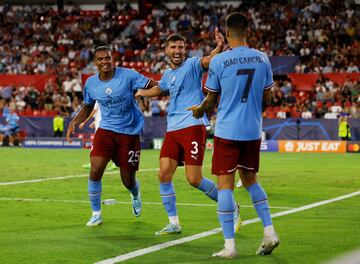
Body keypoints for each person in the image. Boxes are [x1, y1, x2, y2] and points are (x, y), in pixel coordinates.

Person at [189, 13, 279, 258]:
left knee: (225, 187)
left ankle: (229, 247)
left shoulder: (219, 62)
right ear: (248, 31)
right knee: (251, 181)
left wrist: (199, 111)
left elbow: (210, 100)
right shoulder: (262, 58)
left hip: (227, 130)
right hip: (252, 130)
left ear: (227, 33)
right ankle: (270, 232)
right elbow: (269, 98)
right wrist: (252, 113)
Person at [135, 29, 241, 236]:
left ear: (185, 50)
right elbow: (159, 89)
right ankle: (174, 223)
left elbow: (209, 60)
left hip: (192, 126)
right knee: (164, 174)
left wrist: (219, 47)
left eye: (181, 47)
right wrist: (139, 92)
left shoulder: (193, 64)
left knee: (194, 179)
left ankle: (231, 205)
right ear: (166, 51)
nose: (177, 50)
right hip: (173, 129)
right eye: (173, 47)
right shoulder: (167, 74)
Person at [66, 46, 157, 227]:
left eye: (107, 58)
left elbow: (153, 85)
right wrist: (74, 122)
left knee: (127, 180)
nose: (104, 62)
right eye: (100, 59)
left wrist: (167, 86)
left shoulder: (129, 75)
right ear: (95, 63)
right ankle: (96, 213)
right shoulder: (90, 83)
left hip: (129, 132)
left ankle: (135, 194)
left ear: (112, 59)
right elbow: (87, 107)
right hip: (106, 129)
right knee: (96, 168)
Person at [79, 101, 117, 170]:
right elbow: (102, 114)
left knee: (96, 145)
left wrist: (84, 122)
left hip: (101, 127)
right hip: (103, 125)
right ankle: (115, 162)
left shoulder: (98, 100)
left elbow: (94, 112)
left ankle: (92, 163)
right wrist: (94, 122)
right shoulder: (104, 99)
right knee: (106, 145)